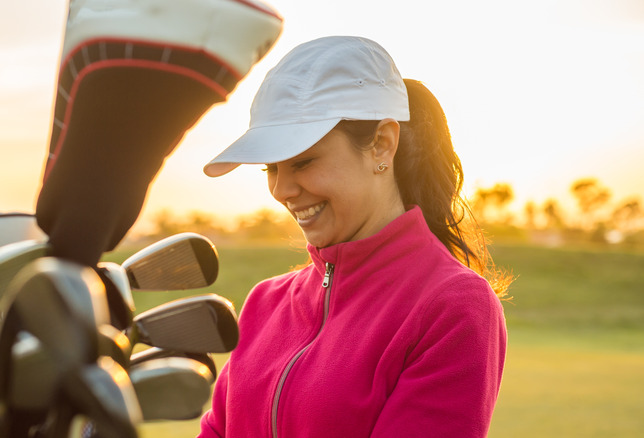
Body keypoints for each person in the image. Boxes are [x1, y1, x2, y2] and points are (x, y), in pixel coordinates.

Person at [198, 36, 511, 437]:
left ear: (382, 144)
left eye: (303, 162)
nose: (282, 190)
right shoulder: (264, 303)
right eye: (271, 169)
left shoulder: (452, 306)